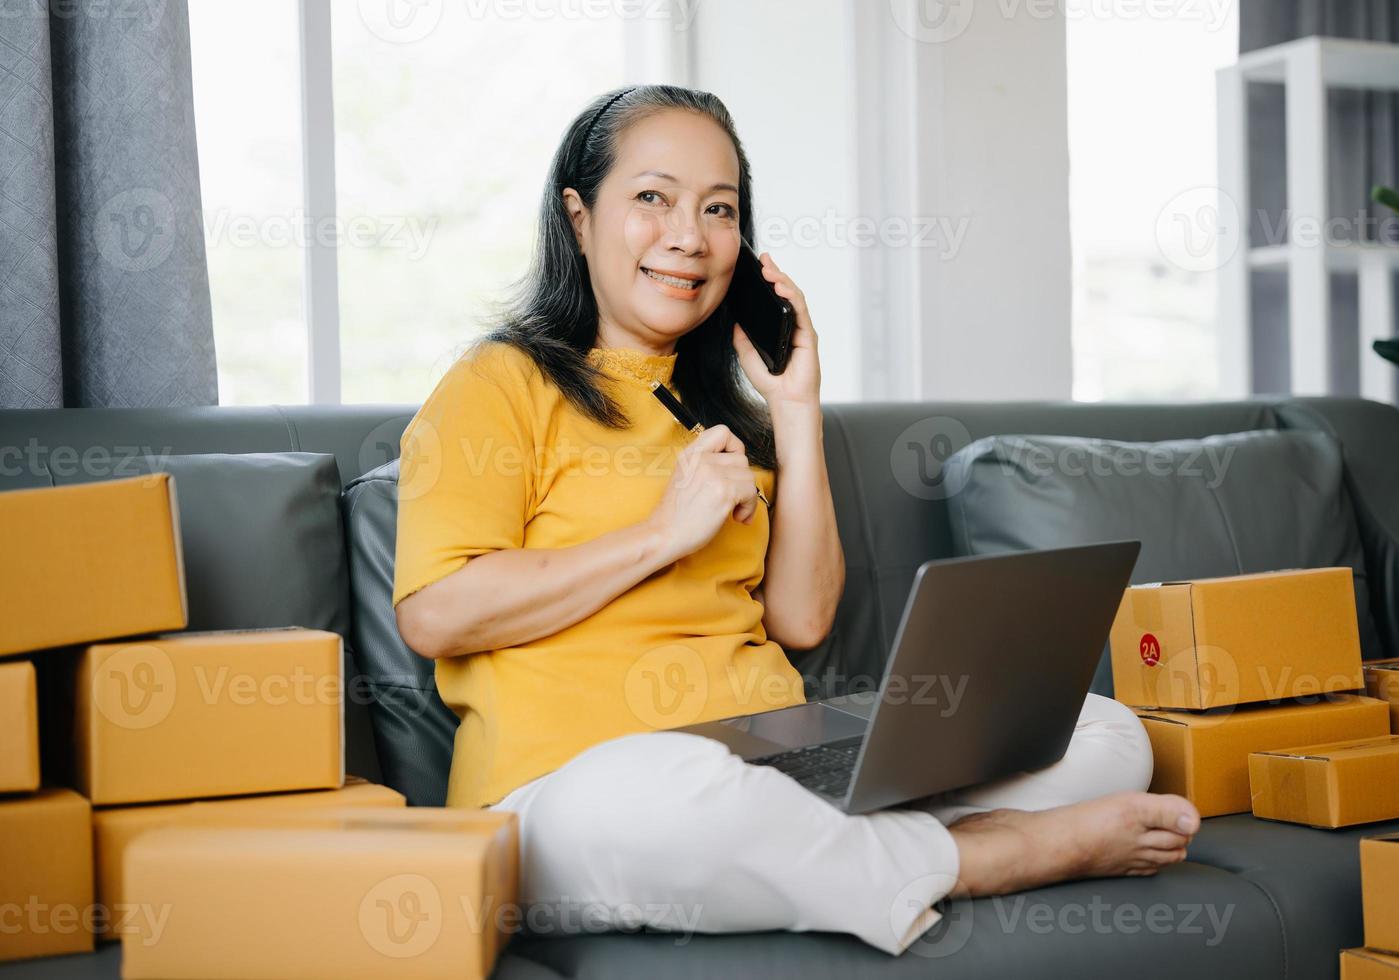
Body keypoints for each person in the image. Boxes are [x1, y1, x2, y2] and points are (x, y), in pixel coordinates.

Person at [391, 84, 1201, 956]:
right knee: (663, 797)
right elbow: (436, 610)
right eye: (652, 198)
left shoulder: (721, 415)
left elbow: (802, 620)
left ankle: (857, 852)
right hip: (578, 790)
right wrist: (663, 532)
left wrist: (797, 410)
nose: (688, 236)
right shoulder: (500, 381)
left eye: (719, 209)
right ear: (580, 216)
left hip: (771, 759)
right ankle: (980, 857)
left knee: (1103, 732)